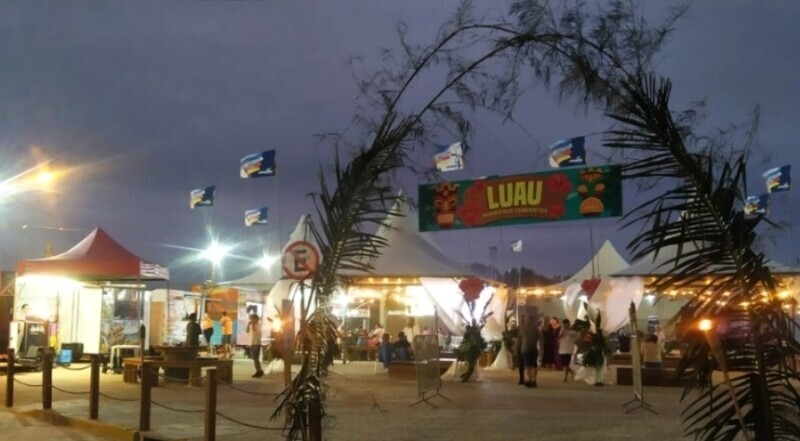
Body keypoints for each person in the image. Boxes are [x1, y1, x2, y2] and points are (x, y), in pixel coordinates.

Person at [518, 315, 541, 388]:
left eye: (529, 320)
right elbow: (519, 340)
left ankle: (534, 380)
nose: (527, 321)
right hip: (525, 350)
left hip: (533, 349)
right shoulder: (522, 329)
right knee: (527, 365)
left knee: (534, 366)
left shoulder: (536, 330)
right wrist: (517, 349)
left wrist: (541, 349)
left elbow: (540, 340)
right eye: (526, 320)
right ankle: (529, 379)